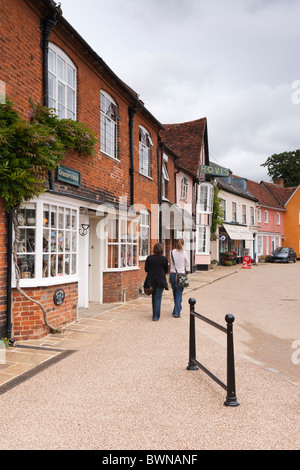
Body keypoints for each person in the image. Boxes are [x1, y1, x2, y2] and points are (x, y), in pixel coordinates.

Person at [145, 243, 168, 321]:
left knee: (153, 298)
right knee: (157, 298)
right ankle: (156, 316)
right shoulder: (164, 259)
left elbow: (146, 269)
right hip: (160, 280)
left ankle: (154, 314)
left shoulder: (149, 258)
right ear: (161, 250)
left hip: (151, 280)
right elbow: (166, 270)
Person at [169, 239, 189, 318]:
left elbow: (171, 262)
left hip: (172, 275)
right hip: (181, 275)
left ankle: (177, 307)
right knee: (179, 293)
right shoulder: (184, 253)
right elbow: (187, 264)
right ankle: (176, 312)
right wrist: (182, 266)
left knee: (175, 292)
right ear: (183, 244)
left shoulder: (171, 252)